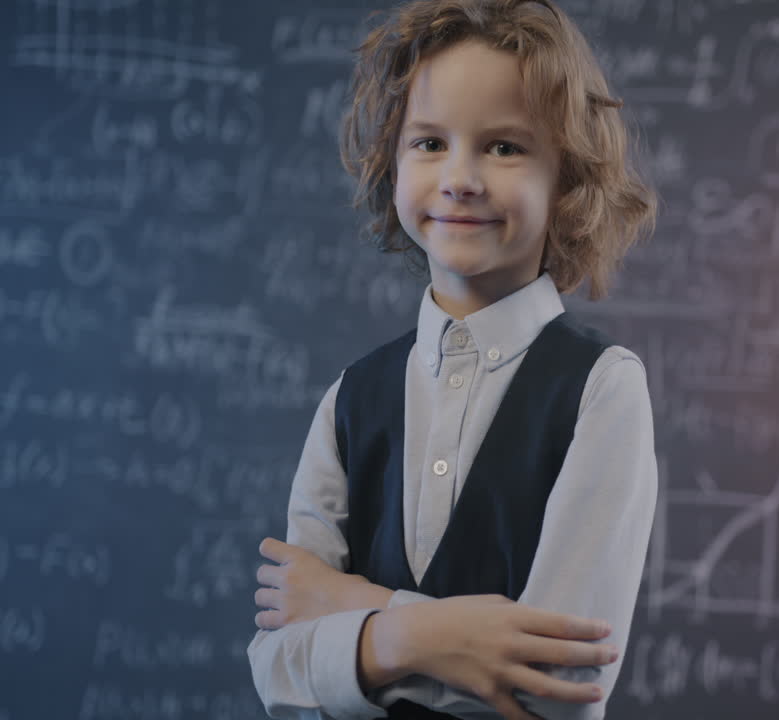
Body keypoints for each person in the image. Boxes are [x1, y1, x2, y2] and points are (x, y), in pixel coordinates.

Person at [246, 1, 658, 718]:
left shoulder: (602, 391)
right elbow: (280, 673)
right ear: (392, 161)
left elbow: (555, 691)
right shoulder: (351, 399)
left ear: (566, 178)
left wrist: (359, 612)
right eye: (430, 143)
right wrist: (453, 639)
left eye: (504, 147)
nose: (460, 177)